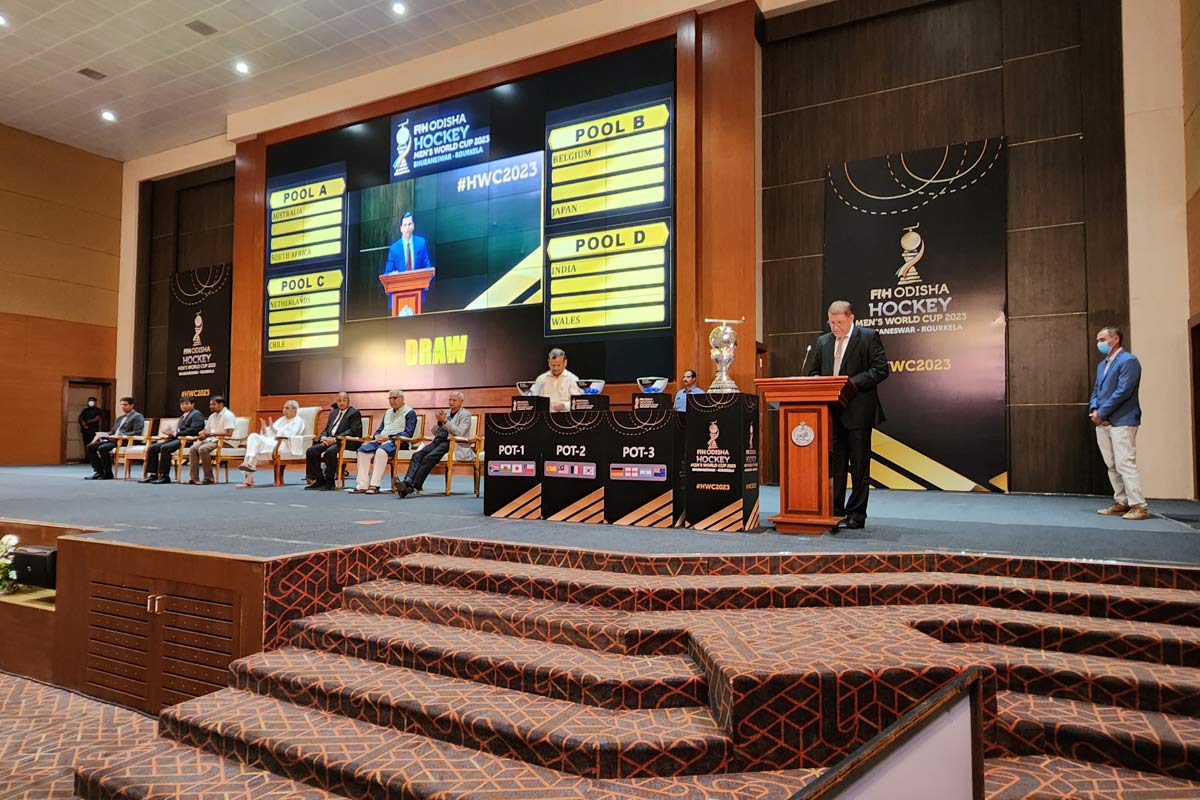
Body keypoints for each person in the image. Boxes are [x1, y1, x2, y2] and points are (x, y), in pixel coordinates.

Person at [807, 300, 889, 529]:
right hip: (831, 413)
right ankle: (835, 510)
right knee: (836, 466)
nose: (836, 328)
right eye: (832, 323)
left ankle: (857, 514)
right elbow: (814, 371)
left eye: (840, 323)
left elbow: (881, 370)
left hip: (858, 412)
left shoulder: (868, 337)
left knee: (859, 466)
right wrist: (817, 380)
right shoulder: (823, 341)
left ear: (851, 318)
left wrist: (850, 383)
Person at [1090, 326, 1149, 520]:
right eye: (1098, 340)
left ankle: (1139, 505)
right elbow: (1097, 390)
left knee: (1125, 463)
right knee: (1112, 464)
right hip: (1103, 422)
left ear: (1115, 340)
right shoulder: (1102, 365)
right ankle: (1122, 502)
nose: (1099, 343)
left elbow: (1123, 391)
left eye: (1102, 340)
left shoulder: (1129, 361)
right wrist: (1094, 409)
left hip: (1122, 420)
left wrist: (1103, 413)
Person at [396, 392, 472, 498]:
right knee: (417, 455)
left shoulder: (466, 415)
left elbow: (460, 432)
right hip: (437, 440)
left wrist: (445, 421)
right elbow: (433, 431)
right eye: (449, 400)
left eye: (454, 400)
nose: (451, 402)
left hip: (451, 443)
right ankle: (407, 482)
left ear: (461, 401)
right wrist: (439, 422)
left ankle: (412, 485)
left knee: (428, 458)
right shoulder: (446, 412)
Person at [348, 389, 418, 494]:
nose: (392, 401)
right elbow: (380, 429)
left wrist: (389, 437)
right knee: (362, 451)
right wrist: (376, 436)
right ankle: (362, 485)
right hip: (382, 440)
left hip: (398, 442)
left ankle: (374, 485)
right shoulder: (388, 412)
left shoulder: (410, 412)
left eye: (395, 398)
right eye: (390, 398)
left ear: (402, 399)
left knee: (381, 451)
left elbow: (408, 433)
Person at [236, 400, 305, 488]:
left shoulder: (298, 421)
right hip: (273, 443)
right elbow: (269, 434)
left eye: (287, 408)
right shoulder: (281, 419)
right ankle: (249, 473)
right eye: (283, 408)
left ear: (294, 410)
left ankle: (249, 473)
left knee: (255, 443)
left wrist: (274, 429)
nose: (284, 410)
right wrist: (265, 429)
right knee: (253, 438)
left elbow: (290, 435)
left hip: (285, 445)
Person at [140, 397, 205, 484]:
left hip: (187, 440)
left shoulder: (196, 414)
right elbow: (179, 430)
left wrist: (175, 433)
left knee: (165, 448)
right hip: (176, 438)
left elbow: (194, 430)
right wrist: (170, 433)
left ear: (192, 404)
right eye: (182, 404)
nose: (184, 406)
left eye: (186, 404)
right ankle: (153, 474)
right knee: (152, 448)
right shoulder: (183, 416)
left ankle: (164, 476)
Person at [305, 392, 362, 491]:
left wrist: (335, 439)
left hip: (346, 441)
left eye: (344, 400)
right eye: (339, 401)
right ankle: (319, 479)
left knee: (330, 452)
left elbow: (354, 431)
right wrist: (323, 437)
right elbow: (327, 429)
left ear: (348, 401)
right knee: (311, 451)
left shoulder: (354, 413)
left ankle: (330, 481)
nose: (342, 403)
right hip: (330, 440)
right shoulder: (333, 413)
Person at [85, 396, 144, 480]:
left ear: (132, 405)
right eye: (121, 405)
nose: (123, 407)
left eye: (125, 405)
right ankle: (99, 472)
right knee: (90, 447)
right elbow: (113, 431)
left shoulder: (137, 416)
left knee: (103, 448)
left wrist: (120, 436)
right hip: (113, 439)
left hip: (125, 440)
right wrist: (104, 434)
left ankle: (107, 473)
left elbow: (137, 432)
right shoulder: (120, 418)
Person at [186, 395, 236, 485]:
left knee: (203, 449)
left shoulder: (228, 415)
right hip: (213, 439)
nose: (211, 406)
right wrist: (202, 434)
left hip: (227, 441)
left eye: (213, 404)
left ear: (221, 404)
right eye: (210, 404)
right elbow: (207, 430)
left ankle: (209, 478)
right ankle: (194, 478)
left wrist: (211, 434)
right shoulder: (212, 416)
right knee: (193, 448)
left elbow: (229, 433)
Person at [530, 348, 582, 412]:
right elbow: (533, 399)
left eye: (558, 365)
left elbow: (578, 401)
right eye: (553, 365)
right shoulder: (541, 379)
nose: (555, 368)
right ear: (549, 362)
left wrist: (565, 405)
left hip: (566, 414)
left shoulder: (573, 379)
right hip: (545, 415)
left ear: (565, 363)